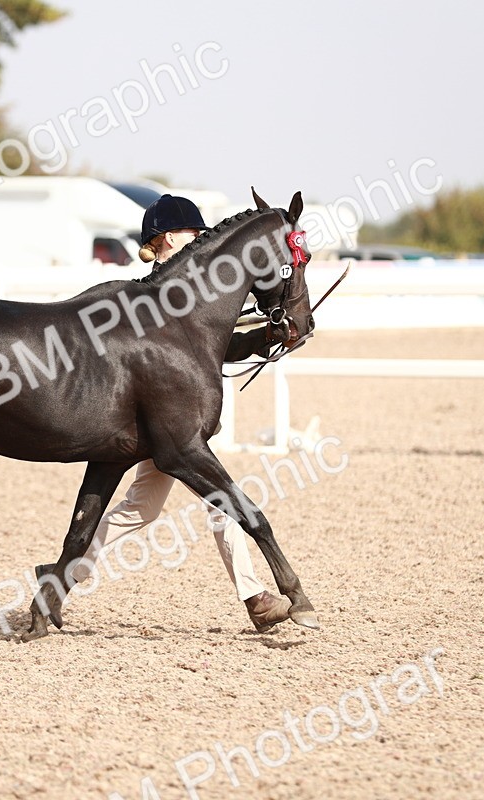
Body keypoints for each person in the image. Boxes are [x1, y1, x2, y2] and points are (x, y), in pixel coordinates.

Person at [42, 194, 292, 633]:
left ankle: (62, 576)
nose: (201, 240)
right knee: (222, 503)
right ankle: (255, 597)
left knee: (142, 508)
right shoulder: (146, 298)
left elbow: (210, 349)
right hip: (146, 421)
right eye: (195, 233)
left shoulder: (189, 296)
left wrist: (261, 340)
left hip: (166, 424)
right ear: (170, 239)